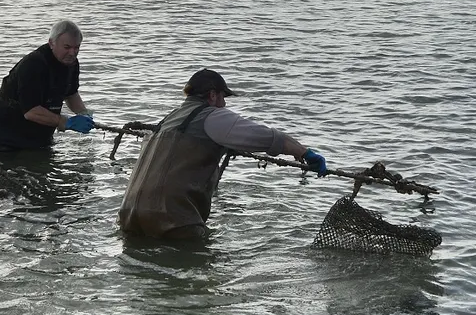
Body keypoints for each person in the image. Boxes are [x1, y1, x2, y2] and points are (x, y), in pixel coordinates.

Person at [118, 68, 327, 241]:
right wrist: (305, 152)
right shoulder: (212, 116)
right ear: (212, 95)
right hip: (171, 220)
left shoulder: (169, 119)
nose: (225, 104)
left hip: (129, 215)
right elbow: (268, 138)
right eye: (223, 97)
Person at [0, 20, 94, 152]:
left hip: (40, 140)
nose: (72, 53)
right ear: (51, 43)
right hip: (5, 141)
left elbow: (71, 93)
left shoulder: (72, 63)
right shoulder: (33, 65)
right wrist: (66, 122)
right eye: (67, 47)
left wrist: (84, 114)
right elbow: (31, 112)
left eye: (77, 48)